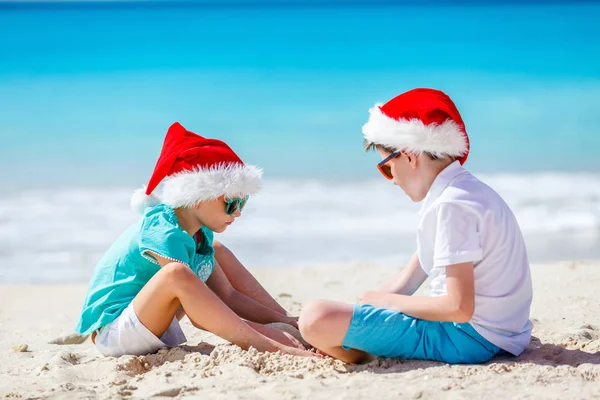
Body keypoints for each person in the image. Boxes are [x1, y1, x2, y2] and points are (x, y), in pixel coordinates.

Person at [298, 88, 533, 364]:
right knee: (353, 307)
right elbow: (407, 281)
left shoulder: (450, 206)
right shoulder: (466, 192)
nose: (392, 179)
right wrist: (369, 303)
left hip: (467, 338)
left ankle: (363, 355)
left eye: (386, 167)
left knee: (315, 316)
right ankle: (361, 340)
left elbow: (458, 308)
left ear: (409, 157)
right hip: (502, 333)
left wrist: (385, 303)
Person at [75, 122, 312, 357]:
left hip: (153, 323)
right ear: (199, 196)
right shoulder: (164, 229)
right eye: (231, 203)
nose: (238, 212)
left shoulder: (200, 232)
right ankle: (267, 343)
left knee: (216, 251)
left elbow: (229, 295)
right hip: (116, 332)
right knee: (176, 273)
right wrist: (264, 336)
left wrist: (282, 324)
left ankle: (289, 320)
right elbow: (198, 315)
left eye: (242, 203)